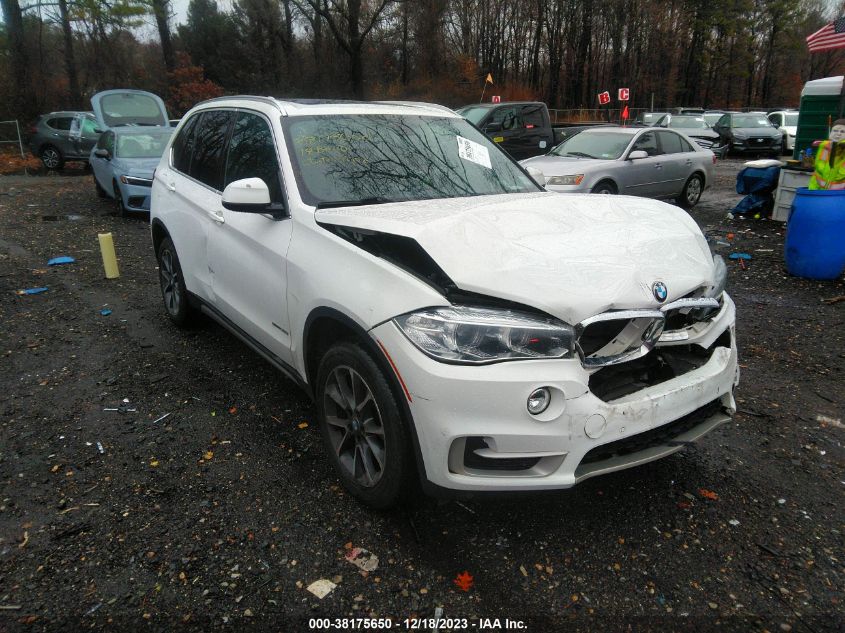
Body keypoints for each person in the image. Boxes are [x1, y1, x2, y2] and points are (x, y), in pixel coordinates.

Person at [808, 119, 845, 190]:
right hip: (818, 192)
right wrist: (812, 192)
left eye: (843, 131)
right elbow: (819, 170)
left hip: (839, 195)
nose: (838, 133)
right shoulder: (824, 146)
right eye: (835, 130)